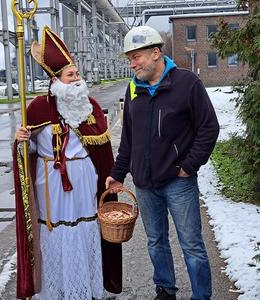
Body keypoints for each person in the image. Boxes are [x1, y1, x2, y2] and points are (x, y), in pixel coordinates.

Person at [106, 25, 219, 300]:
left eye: (137, 57)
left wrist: (189, 166)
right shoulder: (134, 90)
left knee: (191, 244)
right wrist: (118, 173)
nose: (132, 64)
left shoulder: (186, 83)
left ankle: (201, 296)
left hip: (178, 182)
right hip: (145, 184)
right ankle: (165, 290)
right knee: (156, 242)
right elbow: (129, 138)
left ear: (156, 53)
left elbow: (208, 128)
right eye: (129, 59)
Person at [13, 26, 122, 300]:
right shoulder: (37, 108)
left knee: (84, 225)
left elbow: (103, 151)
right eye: (70, 75)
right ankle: (56, 289)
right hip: (49, 179)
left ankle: (85, 286)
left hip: (83, 177)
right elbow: (29, 151)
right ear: (56, 80)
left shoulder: (90, 107)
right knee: (55, 229)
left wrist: (110, 179)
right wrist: (21, 139)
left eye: (77, 74)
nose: (77, 79)